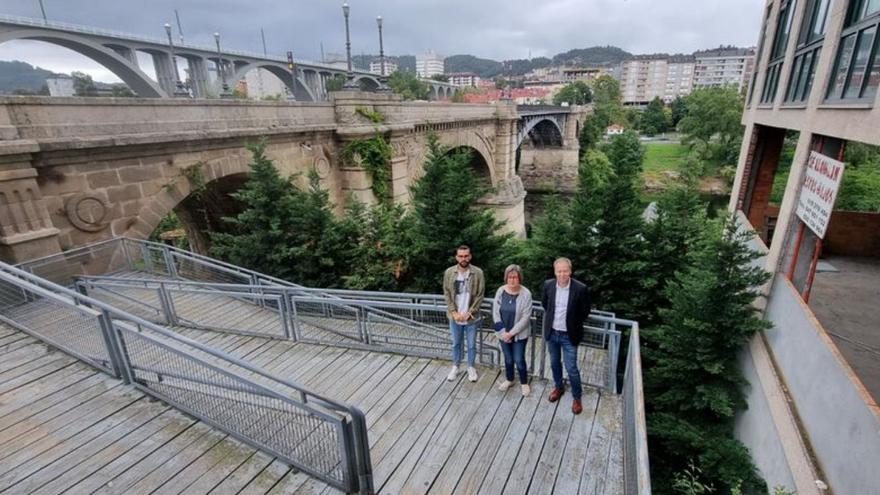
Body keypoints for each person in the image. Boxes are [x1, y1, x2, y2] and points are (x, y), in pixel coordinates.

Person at [541, 257, 592, 414]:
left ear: (570, 271)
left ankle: (577, 397)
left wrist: (572, 324)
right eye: (559, 271)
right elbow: (545, 304)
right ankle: (559, 387)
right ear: (555, 272)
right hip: (552, 333)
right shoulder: (548, 285)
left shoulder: (581, 289)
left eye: (565, 271)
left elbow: (585, 311)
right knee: (555, 363)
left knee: (571, 368)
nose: (562, 274)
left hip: (569, 335)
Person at [442, 245, 485, 382]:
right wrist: (454, 312)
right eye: (460, 256)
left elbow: (480, 295)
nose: (463, 258)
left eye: (466, 255)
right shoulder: (449, 272)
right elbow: (447, 293)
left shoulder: (478, 273)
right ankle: (456, 366)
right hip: (455, 317)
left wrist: (470, 312)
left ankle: (471, 367)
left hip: (471, 318)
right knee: (456, 343)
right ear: (456, 257)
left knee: (471, 344)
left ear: (470, 256)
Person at [492, 264, 533, 396]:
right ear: (506, 278)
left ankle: (524, 382)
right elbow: (495, 313)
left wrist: (511, 333)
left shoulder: (526, 294)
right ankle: (510, 379)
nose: (512, 280)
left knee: (519, 359)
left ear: (520, 278)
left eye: (515, 277)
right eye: (510, 277)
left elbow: (526, 317)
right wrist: (503, 332)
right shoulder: (500, 291)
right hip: (503, 333)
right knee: (508, 359)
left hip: (519, 334)